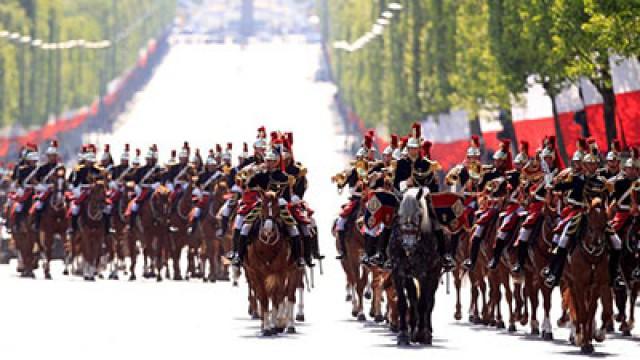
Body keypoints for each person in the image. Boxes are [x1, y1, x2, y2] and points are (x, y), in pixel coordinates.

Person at [543, 150, 623, 288]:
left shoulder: (602, 182)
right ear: (584, 165)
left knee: (617, 242)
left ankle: (614, 275)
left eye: (594, 164)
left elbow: (611, 197)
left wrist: (612, 206)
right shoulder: (576, 179)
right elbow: (561, 187)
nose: (591, 167)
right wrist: (552, 184)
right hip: (578, 212)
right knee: (563, 239)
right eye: (588, 164)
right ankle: (554, 273)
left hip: (597, 216)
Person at [232, 148, 306, 269]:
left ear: (276, 162)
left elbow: (287, 196)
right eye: (267, 160)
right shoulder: (259, 175)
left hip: (278, 206)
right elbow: (248, 186)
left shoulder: (283, 177)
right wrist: (250, 176)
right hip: (262, 205)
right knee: (245, 227)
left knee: (293, 229)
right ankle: (239, 256)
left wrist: (278, 201)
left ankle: (299, 258)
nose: (269, 163)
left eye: (272, 161)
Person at [32, 140, 64, 231]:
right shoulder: (42, 167)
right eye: (50, 156)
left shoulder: (60, 167)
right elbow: (35, 180)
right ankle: (37, 224)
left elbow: (62, 179)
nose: (52, 158)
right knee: (38, 205)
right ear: (47, 156)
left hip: (57, 189)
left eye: (53, 156)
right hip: (45, 189)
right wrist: (42, 187)